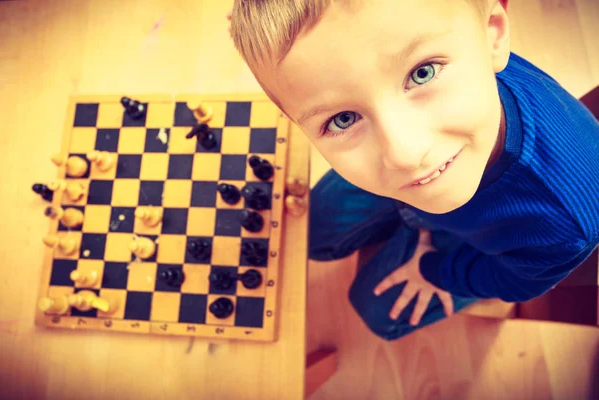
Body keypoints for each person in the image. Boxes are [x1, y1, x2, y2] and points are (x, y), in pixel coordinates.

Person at [228, 0, 599, 340]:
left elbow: (515, 281)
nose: (404, 153)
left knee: (378, 314)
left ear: (492, 34)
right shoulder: (438, 54)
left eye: (422, 73)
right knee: (308, 234)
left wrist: (436, 271)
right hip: (430, 187)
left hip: (477, 242)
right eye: (342, 119)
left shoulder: (564, 222)